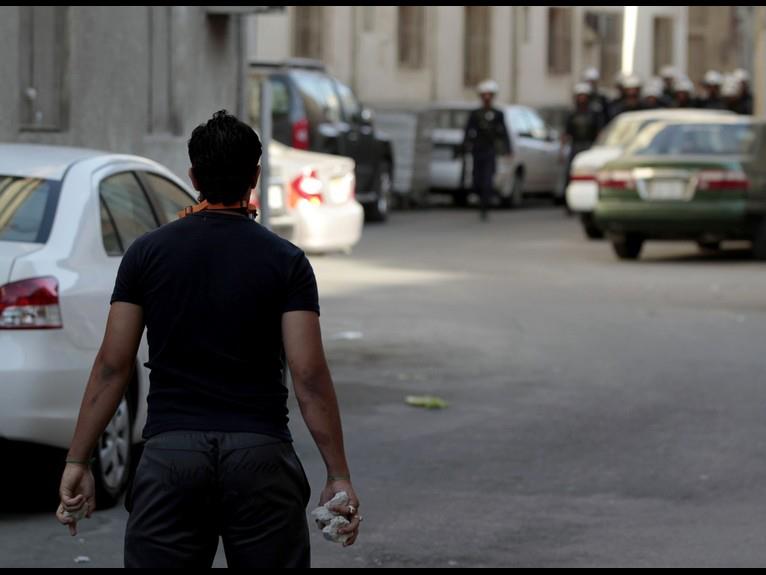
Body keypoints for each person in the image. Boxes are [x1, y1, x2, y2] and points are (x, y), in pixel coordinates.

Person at [55, 111, 361, 568]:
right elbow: (308, 374)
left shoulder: (146, 254)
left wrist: (78, 461)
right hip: (260, 457)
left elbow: (112, 366)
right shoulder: (286, 261)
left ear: (194, 177)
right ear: (255, 176)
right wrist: (338, 474)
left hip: (170, 456)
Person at [464, 79, 512, 222]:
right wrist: (465, 146)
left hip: (490, 150)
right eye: (484, 94)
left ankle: (485, 206)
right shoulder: (475, 114)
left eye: (489, 95)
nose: (487, 97)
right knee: (477, 180)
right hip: (477, 150)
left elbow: (504, 132)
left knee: (487, 179)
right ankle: (480, 197)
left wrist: (507, 148)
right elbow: (468, 131)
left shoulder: (498, 114)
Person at [563, 83, 602, 184]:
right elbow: (566, 133)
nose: (582, 98)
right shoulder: (572, 113)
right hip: (575, 146)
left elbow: (599, 131)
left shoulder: (594, 113)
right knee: (571, 169)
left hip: (590, 145)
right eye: (580, 96)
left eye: (584, 96)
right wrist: (562, 150)